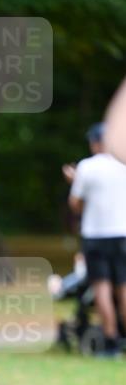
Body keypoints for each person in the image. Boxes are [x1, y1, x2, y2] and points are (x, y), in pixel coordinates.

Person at [66, 122, 126, 358]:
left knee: (101, 288)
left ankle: (111, 342)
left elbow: (76, 204)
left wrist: (76, 182)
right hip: (123, 233)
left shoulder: (86, 167)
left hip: (96, 235)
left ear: (96, 143)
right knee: (124, 288)